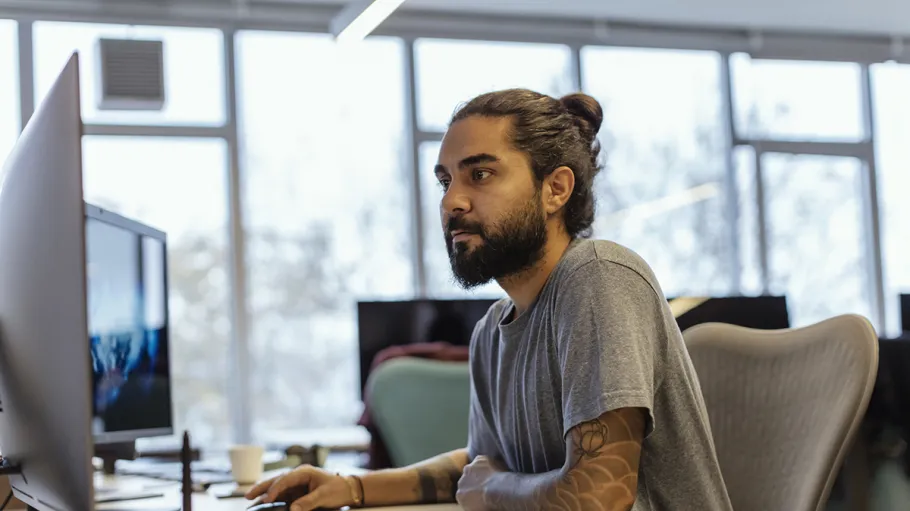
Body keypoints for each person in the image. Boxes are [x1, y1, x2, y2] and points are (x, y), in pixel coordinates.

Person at [245, 89, 733, 511]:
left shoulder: (598, 277)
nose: (451, 201)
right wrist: (350, 486)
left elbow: (597, 498)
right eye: (445, 180)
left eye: (479, 175)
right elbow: (478, 468)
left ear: (555, 189)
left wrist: (494, 489)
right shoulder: (493, 331)